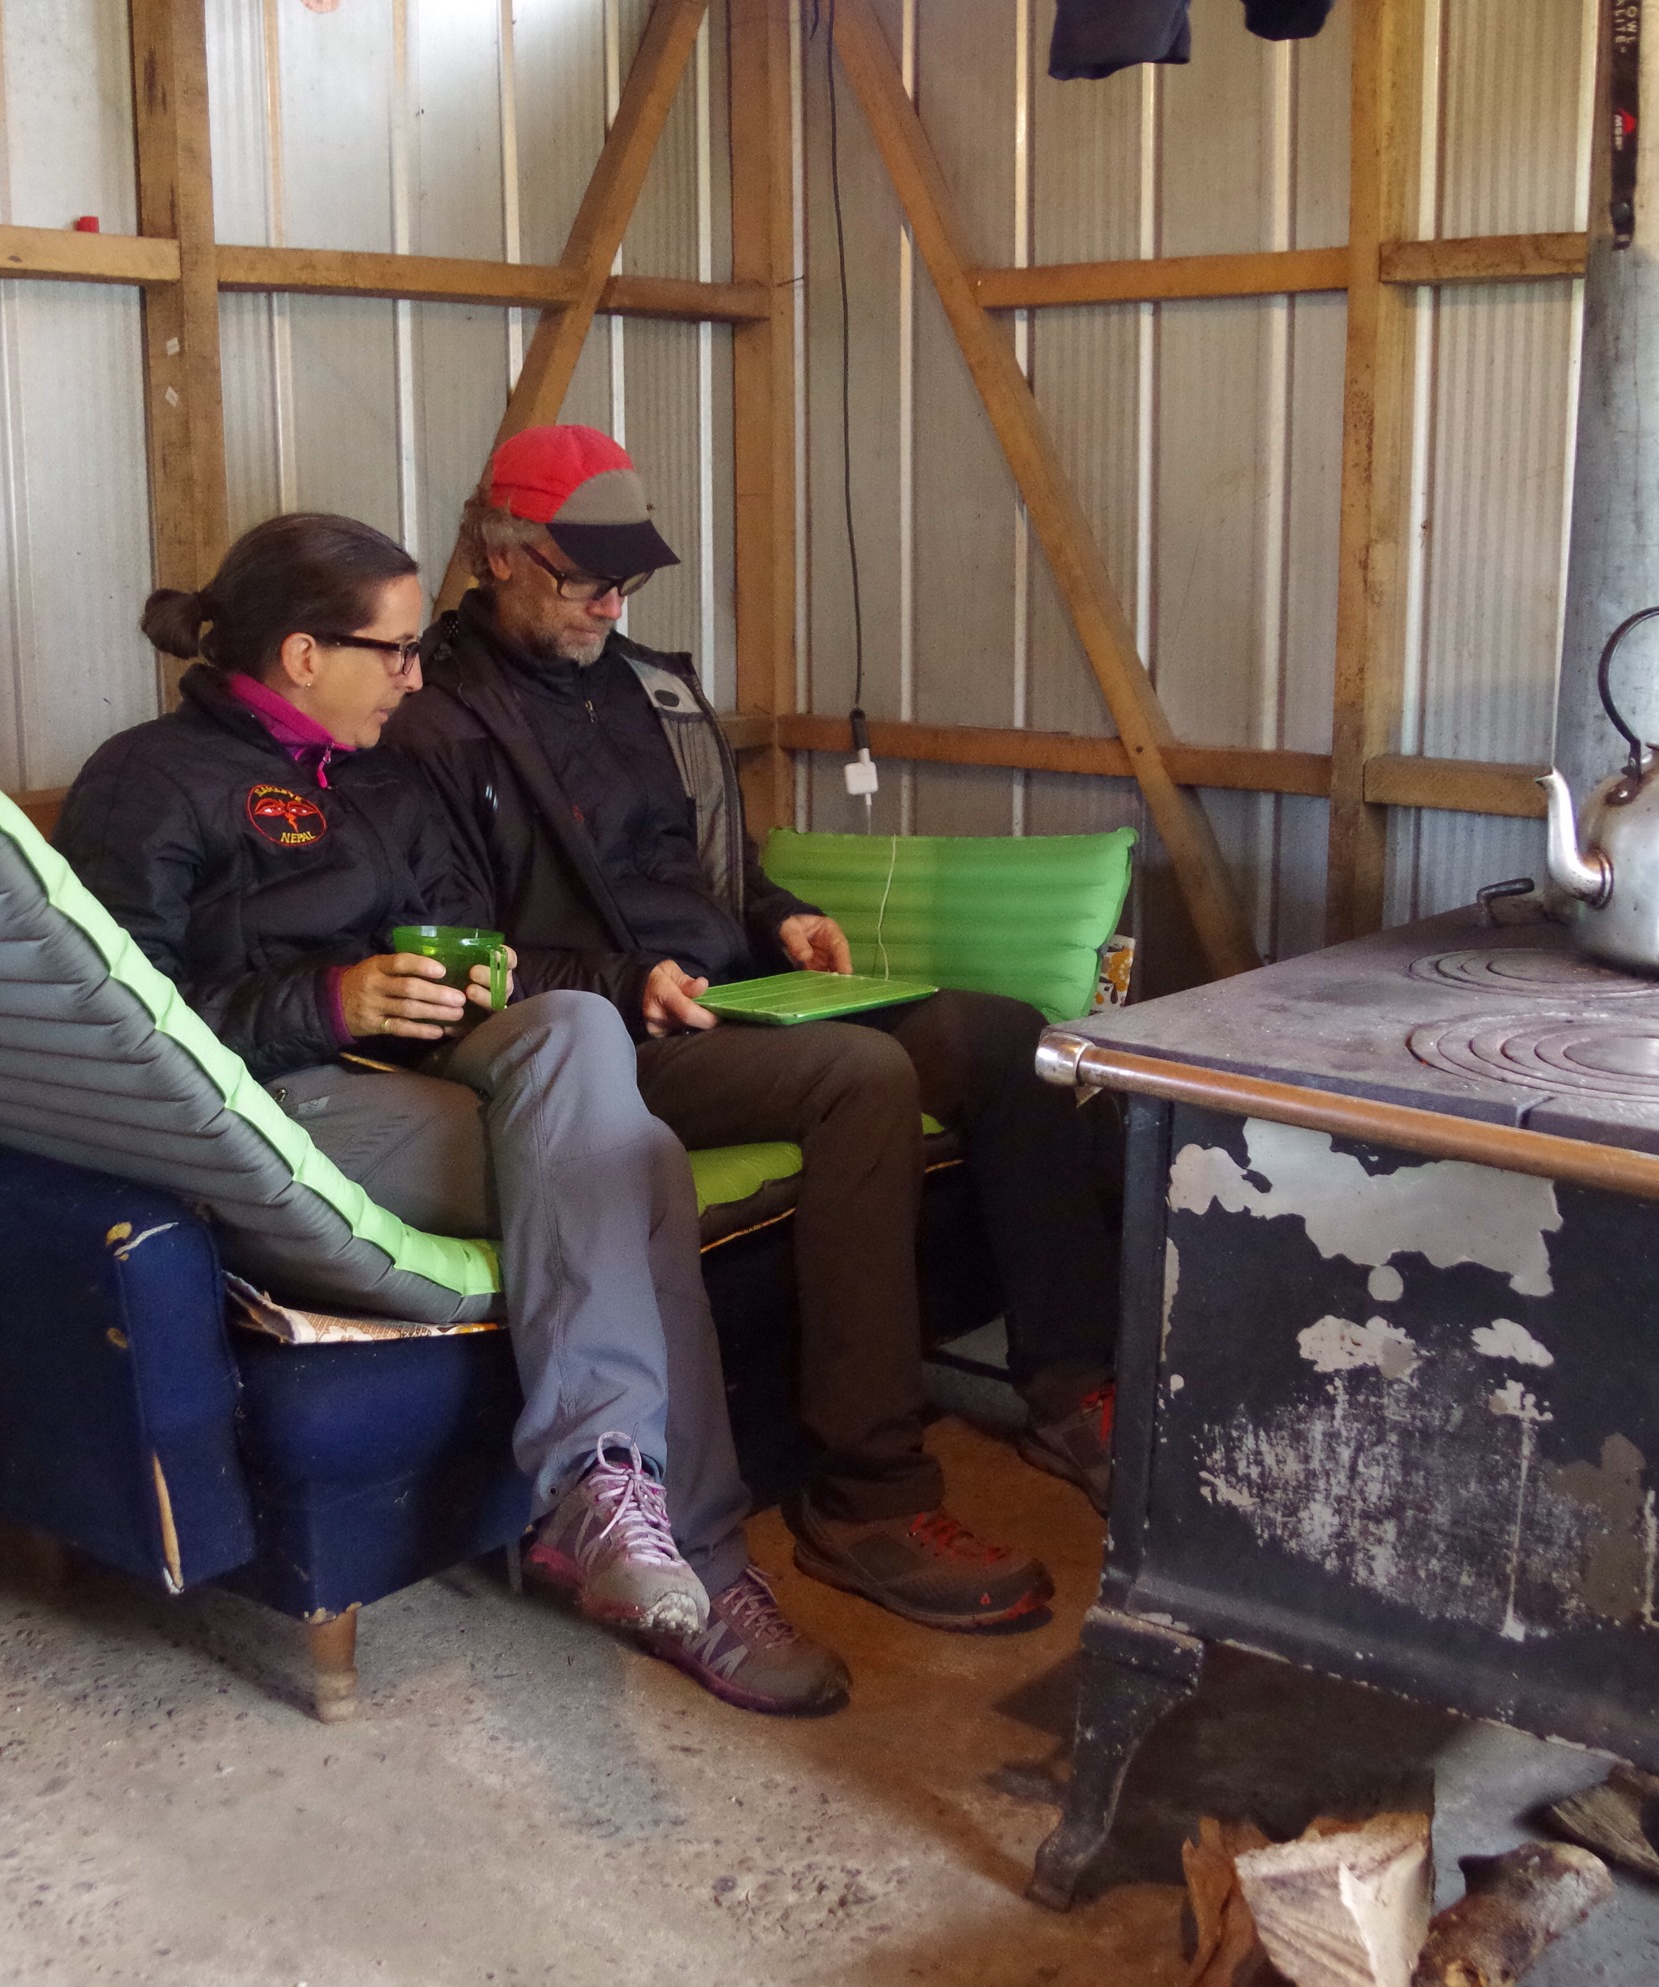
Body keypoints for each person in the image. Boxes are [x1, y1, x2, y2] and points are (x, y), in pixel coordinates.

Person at [53, 511, 847, 1716]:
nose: (417, 677)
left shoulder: (381, 775)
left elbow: (469, 925)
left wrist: (482, 976)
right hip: (274, 1106)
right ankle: (684, 1550)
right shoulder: (149, 779)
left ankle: (610, 1500)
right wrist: (330, 999)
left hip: (420, 1068)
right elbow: (119, 1016)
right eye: (398, 650)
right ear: (304, 655)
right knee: (638, 1168)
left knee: (575, 1033)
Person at [387, 427, 1127, 1637]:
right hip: (606, 1045)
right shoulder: (431, 722)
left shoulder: (650, 690)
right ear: (498, 553)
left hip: (737, 999)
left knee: (1009, 1039)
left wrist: (780, 918)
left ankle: (1070, 1390)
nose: (612, 605)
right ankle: (866, 1495)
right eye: (586, 579)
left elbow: (706, 873)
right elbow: (459, 946)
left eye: (629, 579)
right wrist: (629, 981)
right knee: (859, 1076)